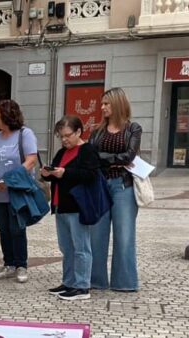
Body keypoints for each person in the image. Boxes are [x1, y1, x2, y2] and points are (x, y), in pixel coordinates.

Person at [42, 115, 101, 301]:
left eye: (68, 135)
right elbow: (57, 176)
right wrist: (47, 174)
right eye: (61, 136)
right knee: (66, 247)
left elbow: (90, 175)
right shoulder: (61, 152)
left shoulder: (87, 150)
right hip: (61, 205)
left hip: (77, 206)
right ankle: (68, 282)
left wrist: (65, 173)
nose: (64, 139)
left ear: (78, 132)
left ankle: (82, 286)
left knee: (81, 247)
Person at [89, 88, 142, 292]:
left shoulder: (133, 129)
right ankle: (96, 281)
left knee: (124, 235)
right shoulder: (97, 131)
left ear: (117, 104)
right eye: (102, 104)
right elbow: (91, 157)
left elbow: (129, 156)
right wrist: (114, 160)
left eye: (106, 104)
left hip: (123, 185)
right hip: (100, 185)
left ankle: (125, 283)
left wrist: (105, 159)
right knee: (97, 235)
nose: (102, 108)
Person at [0, 99, 39, 283]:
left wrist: (9, 180)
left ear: (6, 117)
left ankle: (21, 264)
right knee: (3, 228)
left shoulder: (25, 134)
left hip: (16, 191)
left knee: (17, 228)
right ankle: (9, 263)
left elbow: (31, 160)